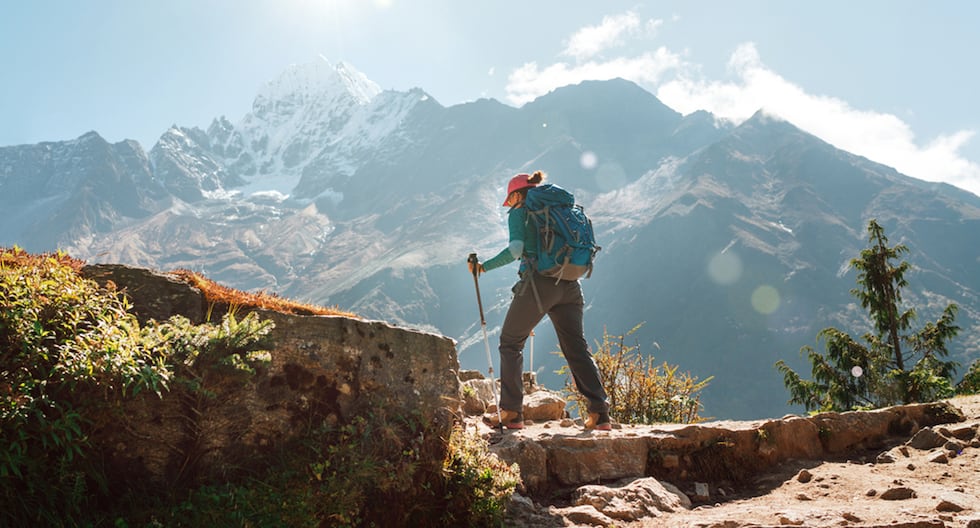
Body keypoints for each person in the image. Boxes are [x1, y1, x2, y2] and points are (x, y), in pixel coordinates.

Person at [469, 171, 611, 431]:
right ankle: (600, 414)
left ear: (515, 195)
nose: (508, 205)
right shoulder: (559, 209)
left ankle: (512, 412)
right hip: (570, 283)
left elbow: (515, 250)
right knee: (576, 349)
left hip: (539, 284)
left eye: (509, 199)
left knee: (510, 343)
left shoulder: (520, 212)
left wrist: (483, 267)